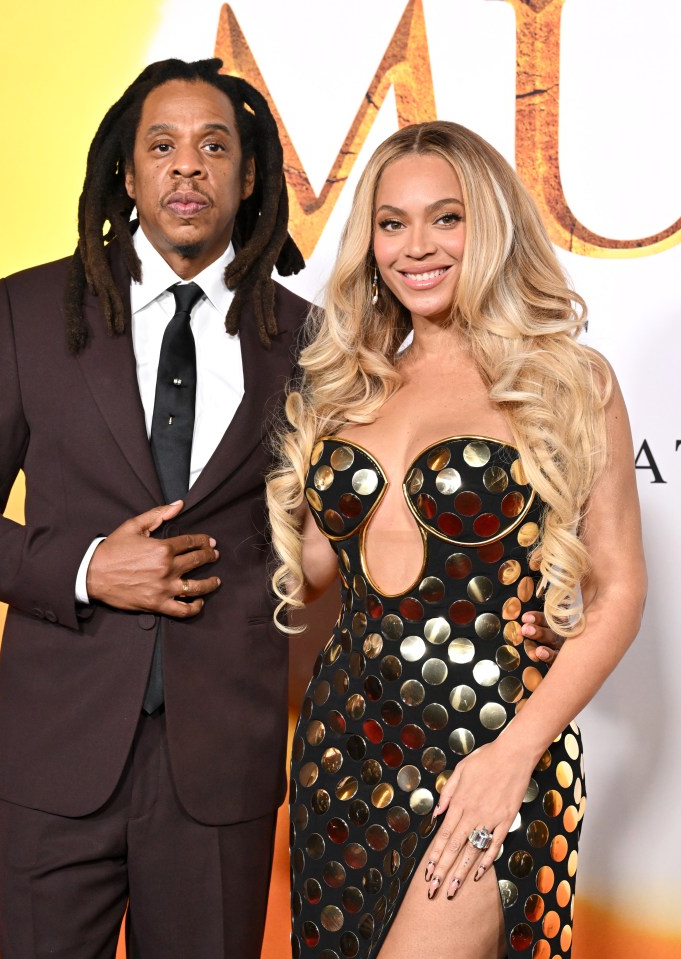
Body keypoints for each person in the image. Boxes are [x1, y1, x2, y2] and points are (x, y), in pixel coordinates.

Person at [0, 57, 310, 959]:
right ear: (127, 173)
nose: (188, 166)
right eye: (163, 145)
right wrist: (85, 566)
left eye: (214, 146)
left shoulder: (305, 338)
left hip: (221, 766)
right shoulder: (29, 310)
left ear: (247, 176)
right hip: (55, 754)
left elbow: (336, 530)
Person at [266, 121, 645, 959]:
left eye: (446, 217)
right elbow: (317, 574)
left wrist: (516, 752)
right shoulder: (348, 384)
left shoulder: (566, 379)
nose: (416, 247)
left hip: (488, 742)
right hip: (340, 749)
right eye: (391, 223)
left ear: (492, 225)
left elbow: (618, 589)